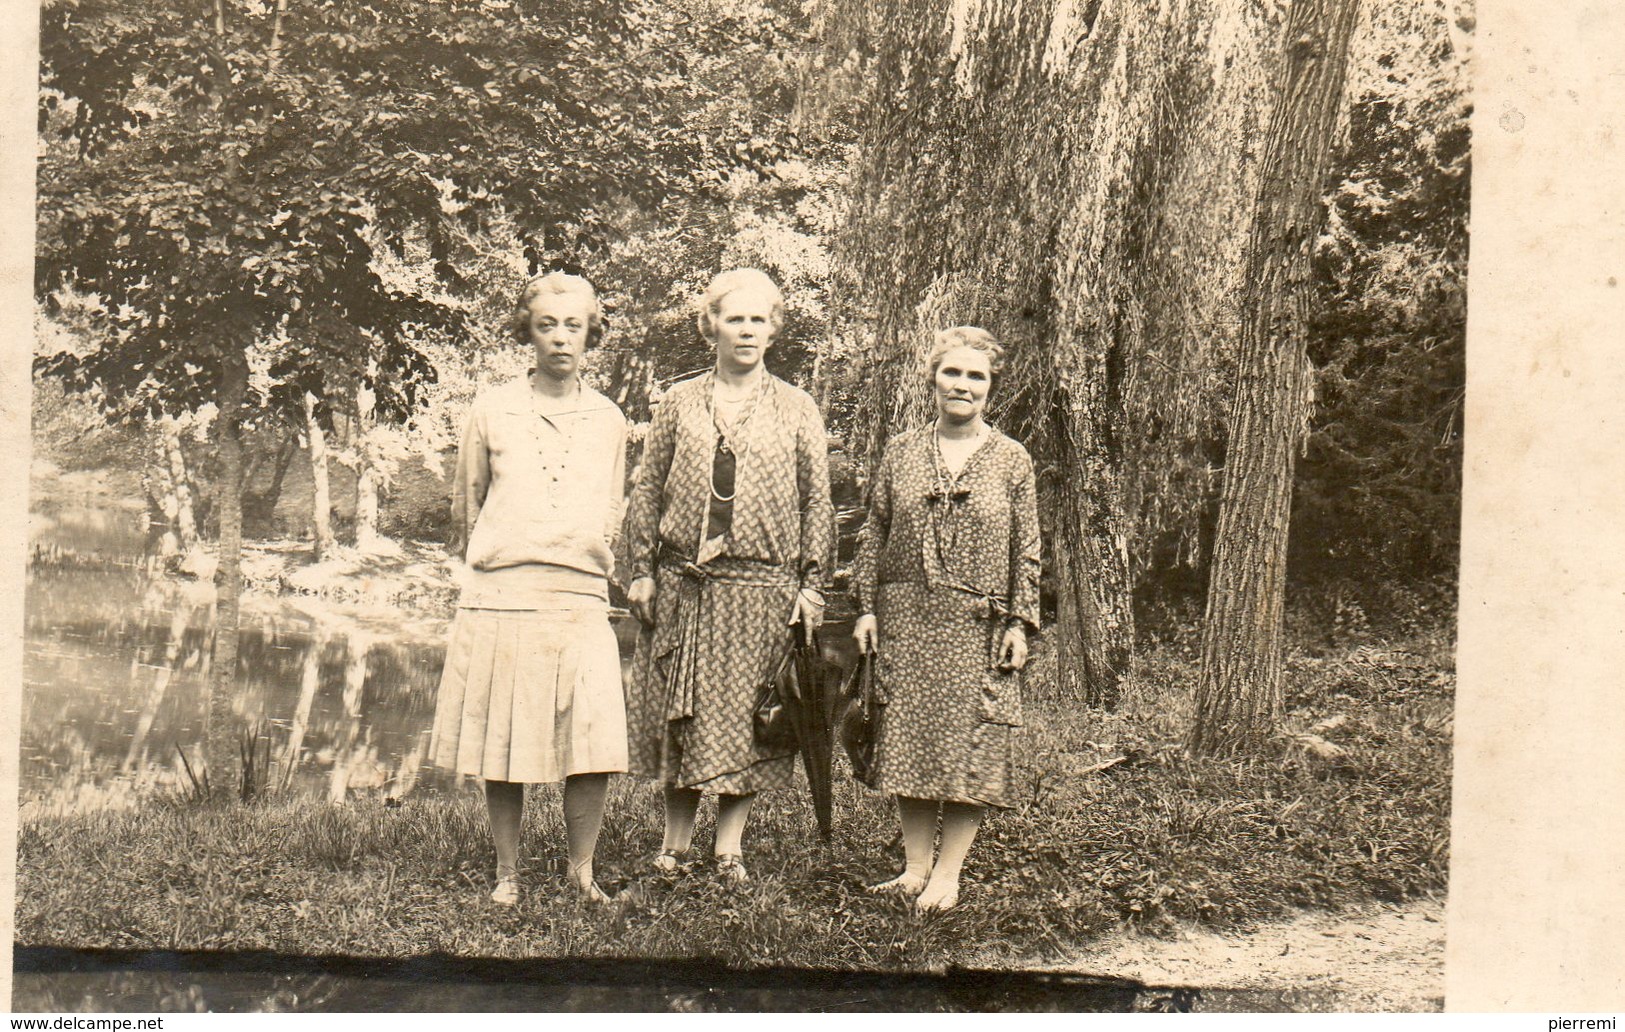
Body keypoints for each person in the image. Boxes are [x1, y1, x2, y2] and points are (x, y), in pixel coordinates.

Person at [622, 268, 834, 884]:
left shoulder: (798, 408)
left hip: (761, 590)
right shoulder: (679, 402)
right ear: (709, 324)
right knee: (681, 715)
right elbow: (646, 490)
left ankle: (729, 849)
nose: (746, 330)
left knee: (750, 717)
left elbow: (815, 502)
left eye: (758, 319)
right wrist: (640, 571)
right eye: (734, 317)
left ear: (774, 328)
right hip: (685, 584)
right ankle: (674, 845)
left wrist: (812, 586)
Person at [429, 272, 629, 906]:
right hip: (503, 593)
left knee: (592, 740)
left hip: (579, 595)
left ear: (592, 332)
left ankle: (581, 871)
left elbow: (611, 508)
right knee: (504, 739)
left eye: (574, 325)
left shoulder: (608, 418)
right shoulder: (492, 409)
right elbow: (468, 505)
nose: (561, 338)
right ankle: (507, 873)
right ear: (528, 331)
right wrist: (501, 559)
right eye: (547, 325)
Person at [851, 326, 1041, 912]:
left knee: (972, 744)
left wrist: (1019, 623)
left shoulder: (1012, 460)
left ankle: (948, 875)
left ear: (990, 387)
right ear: (932, 379)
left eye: (975, 376)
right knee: (910, 738)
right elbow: (873, 530)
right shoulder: (901, 452)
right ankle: (914, 869)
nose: (962, 385)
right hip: (906, 617)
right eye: (952, 373)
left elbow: (1026, 547)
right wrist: (865, 607)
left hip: (978, 624)